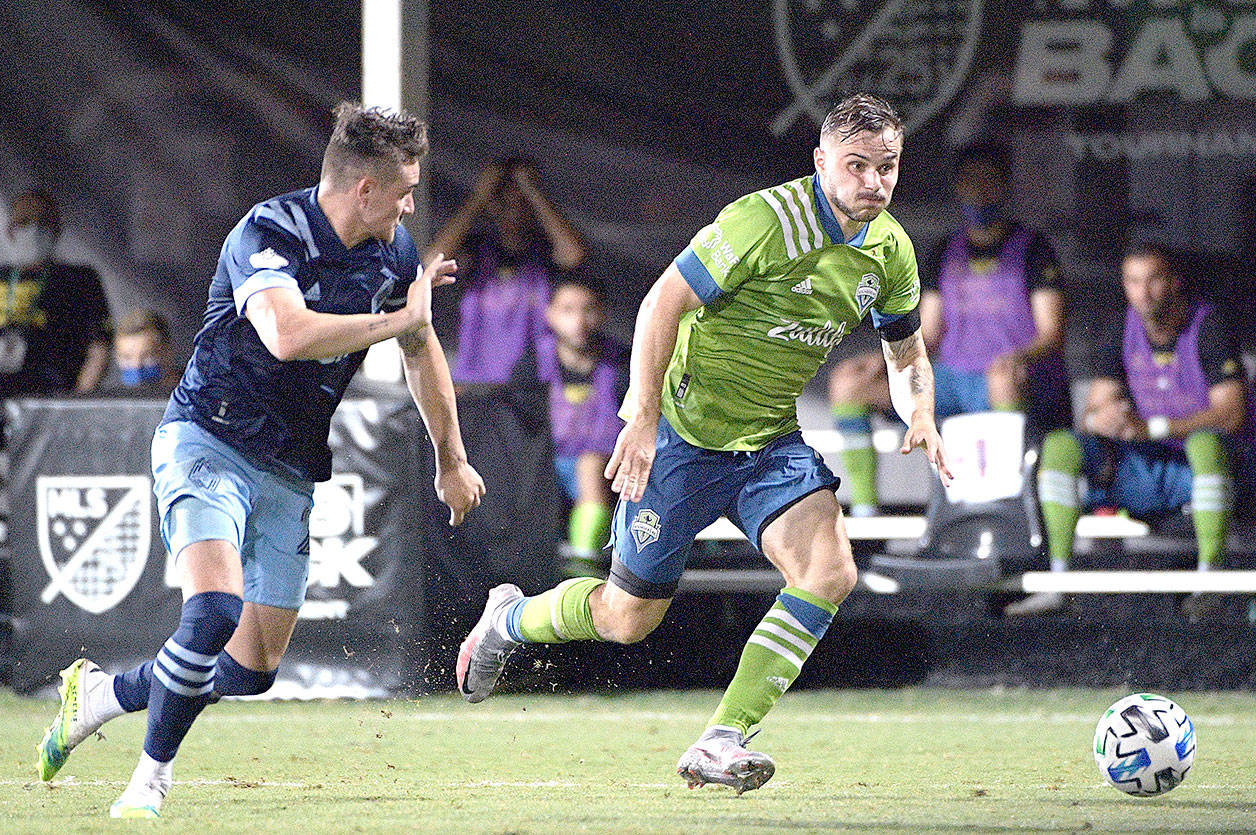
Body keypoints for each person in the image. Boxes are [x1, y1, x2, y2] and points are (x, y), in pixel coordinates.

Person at [457, 94, 952, 794]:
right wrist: (645, 416)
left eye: (888, 167)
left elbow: (905, 352)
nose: (874, 183)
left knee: (830, 572)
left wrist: (920, 412)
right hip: (683, 442)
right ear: (820, 163)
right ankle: (509, 617)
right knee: (625, 620)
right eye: (857, 165)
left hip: (770, 445)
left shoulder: (890, 249)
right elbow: (663, 300)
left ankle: (722, 737)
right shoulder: (762, 221)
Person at [34, 102, 486, 818]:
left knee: (249, 670)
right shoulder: (269, 230)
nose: (411, 202)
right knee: (212, 611)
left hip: (289, 466)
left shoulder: (394, 253)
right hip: (206, 439)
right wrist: (400, 318)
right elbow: (285, 332)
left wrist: (451, 458)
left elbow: (420, 346)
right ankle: (148, 780)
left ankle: (102, 695)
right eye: (404, 188)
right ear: (363, 188)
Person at [1008, 242, 1255, 618]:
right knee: (1061, 446)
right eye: (1133, 281)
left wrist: (1155, 428)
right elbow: (1092, 410)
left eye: (1153, 280)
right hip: (1142, 467)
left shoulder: (1209, 325)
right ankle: (1057, 581)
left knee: (1206, 444)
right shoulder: (1120, 327)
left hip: (1205, 469)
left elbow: (1232, 413)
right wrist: (1102, 419)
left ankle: (1210, 581)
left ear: (1173, 282)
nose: (1143, 292)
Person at [828, 141, 1066, 516]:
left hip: (1011, 379)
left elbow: (1051, 332)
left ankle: (1005, 508)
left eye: (989, 180)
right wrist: (886, 360)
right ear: (958, 187)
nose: (979, 190)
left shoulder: (1034, 248)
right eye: (969, 181)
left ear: (1004, 186)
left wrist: (1014, 358)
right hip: (953, 381)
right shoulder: (945, 251)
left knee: (1001, 379)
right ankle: (864, 512)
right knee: (849, 379)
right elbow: (931, 332)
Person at [0, 189, 112, 462]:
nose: (32, 230)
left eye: (41, 223)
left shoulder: (78, 279)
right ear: (10, 230)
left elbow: (99, 350)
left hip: (53, 404)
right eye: (23, 222)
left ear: (56, 230)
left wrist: (73, 412)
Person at [430, 157, 587, 385]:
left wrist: (534, 192)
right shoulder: (477, 249)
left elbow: (575, 256)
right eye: (506, 204)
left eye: (523, 204)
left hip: (533, 384)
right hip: (475, 383)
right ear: (493, 206)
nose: (514, 214)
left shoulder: (545, 252)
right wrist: (480, 195)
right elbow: (433, 260)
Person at [525, 276, 627, 576]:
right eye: (568, 310)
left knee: (590, 465)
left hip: (609, 473)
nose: (579, 321)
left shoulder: (624, 364)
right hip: (544, 470)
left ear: (603, 314)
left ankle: (583, 568)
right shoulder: (531, 366)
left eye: (588, 310)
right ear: (550, 314)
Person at [106, 308, 179, 396]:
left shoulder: (190, 395)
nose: (136, 365)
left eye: (147, 356)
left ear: (167, 354)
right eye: (127, 357)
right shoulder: (111, 401)